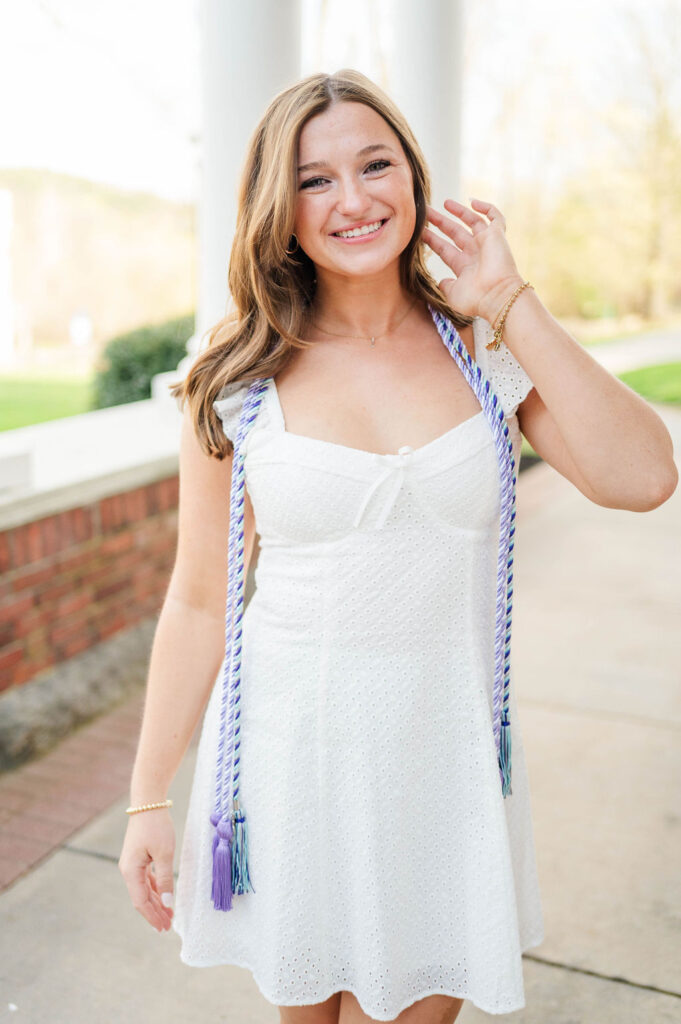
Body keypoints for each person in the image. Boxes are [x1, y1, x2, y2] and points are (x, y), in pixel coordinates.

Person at [117, 68, 678, 1024]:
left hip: (440, 756)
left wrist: (509, 299)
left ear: (414, 178)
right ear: (277, 208)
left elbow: (641, 478)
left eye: (376, 165)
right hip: (292, 758)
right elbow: (201, 598)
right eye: (315, 179)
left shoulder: (481, 344)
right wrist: (146, 800)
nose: (354, 198)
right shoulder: (240, 372)